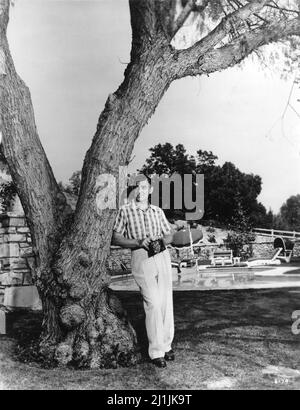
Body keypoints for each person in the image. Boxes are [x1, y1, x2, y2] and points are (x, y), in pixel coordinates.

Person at [112, 175, 174, 368]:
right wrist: (139, 242)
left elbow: (169, 233)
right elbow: (116, 237)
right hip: (141, 256)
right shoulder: (125, 211)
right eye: (138, 187)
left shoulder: (157, 211)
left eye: (145, 187)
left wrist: (160, 242)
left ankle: (166, 344)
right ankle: (156, 352)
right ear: (133, 190)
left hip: (161, 256)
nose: (141, 191)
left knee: (164, 302)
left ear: (151, 190)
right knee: (153, 303)